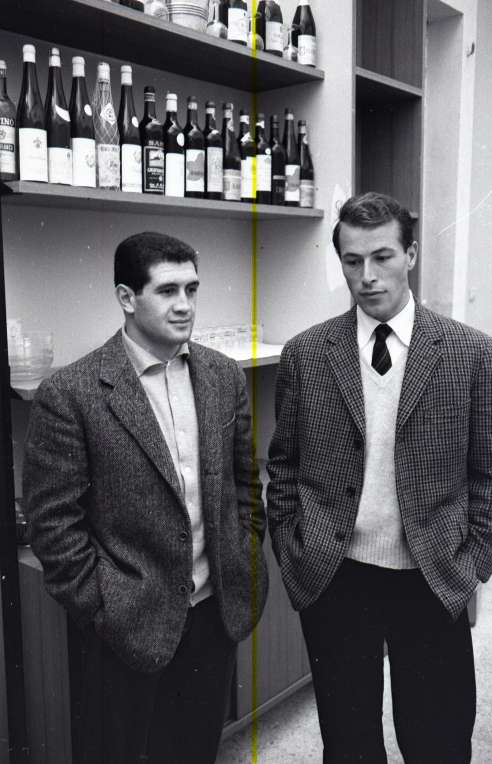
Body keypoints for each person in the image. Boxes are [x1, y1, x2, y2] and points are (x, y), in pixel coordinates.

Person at [266, 192, 492, 763]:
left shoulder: (471, 353)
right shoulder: (306, 354)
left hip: (433, 574)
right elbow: (284, 466)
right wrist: (296, 554)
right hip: (336, 576)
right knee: (348, 743)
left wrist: (473, 563)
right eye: (352, 261)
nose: (367, 276)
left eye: (382, 257)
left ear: (411, 255)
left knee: (438, 741)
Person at [23, 231, 268, 764]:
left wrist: (243, 555)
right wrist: (102, 607)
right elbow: (52, 525)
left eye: (192, 289)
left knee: (196, 750)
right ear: (127, 298)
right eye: (167, 291)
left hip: (214, 613)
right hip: (126, 624)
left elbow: (244, 483)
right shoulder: (71, 393)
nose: (185, 305)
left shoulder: (223, 376)